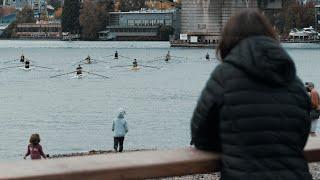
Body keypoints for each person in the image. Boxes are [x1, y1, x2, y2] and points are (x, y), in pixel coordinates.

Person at [190, 9, 312, 180]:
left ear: (227, 41)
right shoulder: (293, 80)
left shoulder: (223, 76)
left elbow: (200, 135)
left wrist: (234, 142)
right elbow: (301, 133)